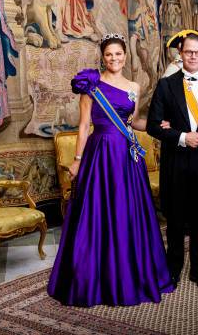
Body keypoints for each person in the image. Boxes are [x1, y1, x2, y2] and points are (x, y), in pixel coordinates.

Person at [48, 33, 174, 306]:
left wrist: (157, 126)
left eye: (118, 54)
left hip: (128, 156)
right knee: (100, 212)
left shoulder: (134, 86)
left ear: (125, 56)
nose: (114, 58)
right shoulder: (91, 84)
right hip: (101, 153)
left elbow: (134, 121)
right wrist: (78, 159)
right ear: (102, 57)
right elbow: (83, 126)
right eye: (109, 55)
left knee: (128, 212)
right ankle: (99, 276)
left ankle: (131, 272)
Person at [147, 29, 198, 289]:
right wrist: (181, 136)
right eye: (189, 51)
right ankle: (173, 270)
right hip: (176, 162)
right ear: (181, 54)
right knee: (175, 220)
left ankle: (197, 271)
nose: (193, 56)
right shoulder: (166, 85)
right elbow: (152, 125)